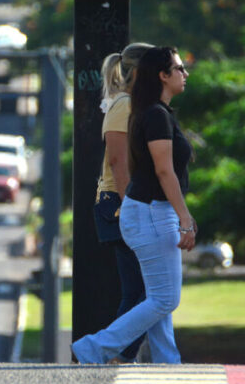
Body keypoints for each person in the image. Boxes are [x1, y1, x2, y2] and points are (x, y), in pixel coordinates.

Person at [73, 46, 195, 364]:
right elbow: (162, 169)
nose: (185, 74)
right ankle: (95, 348)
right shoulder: (151, 113)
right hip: (151, 211)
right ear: (162, 75)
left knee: (158, 295)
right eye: (179, 68)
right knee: (163, 297)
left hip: (152, 211)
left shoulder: (155, 111)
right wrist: (184, 216)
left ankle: (168, 361)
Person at [92, 42, 153, 364]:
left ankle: (119, 354)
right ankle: (113, 352)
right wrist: (135, 205)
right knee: (146, 292)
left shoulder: (137, 105)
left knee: (142, 290)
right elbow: (117, 161)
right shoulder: (124, 105)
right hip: (119, 202)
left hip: (128, 202)